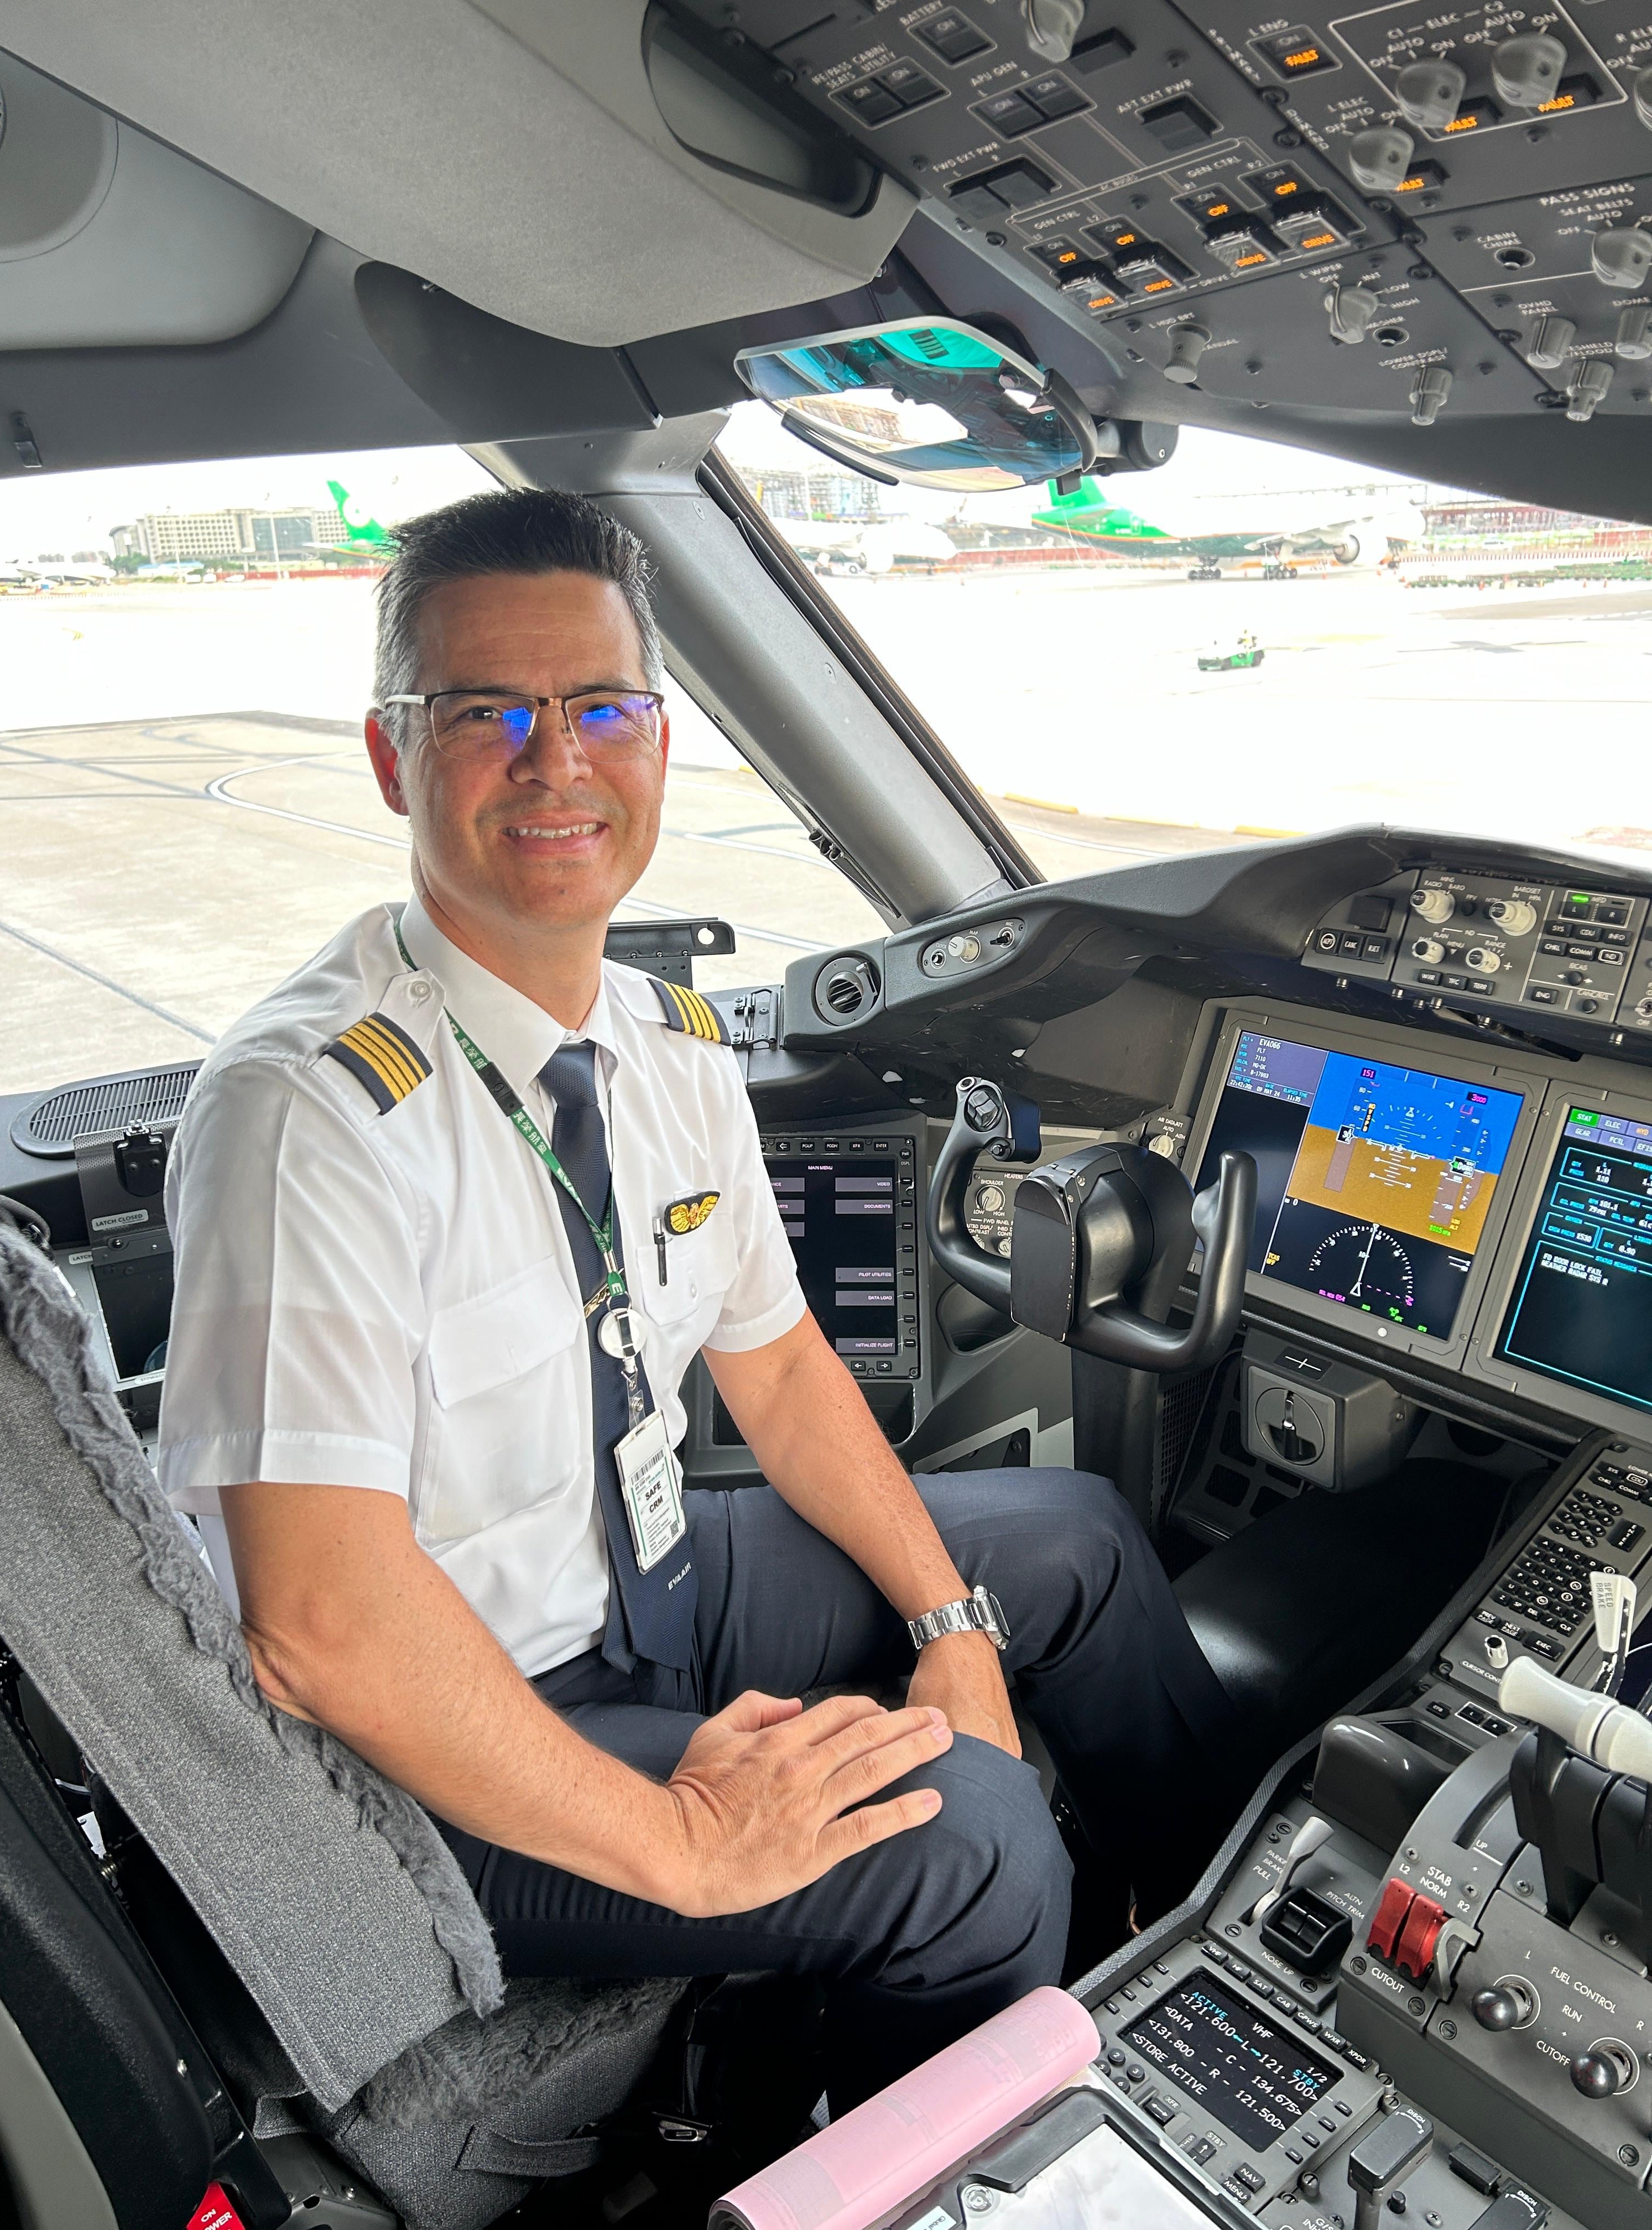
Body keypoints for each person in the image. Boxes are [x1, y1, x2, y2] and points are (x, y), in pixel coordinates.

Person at [159, 488, 1236, 2110]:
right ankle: (885, 2162)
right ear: (393, 757)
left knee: (1073, 1543)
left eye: (603, 707)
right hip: (426, 1743)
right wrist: (689, 1839)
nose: (556, 761)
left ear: (659, 741)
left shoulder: (667, 1048)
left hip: (637, 1579)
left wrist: (951, 1631)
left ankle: (1209, 1966)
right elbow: (323, 1630)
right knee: (977, 1844)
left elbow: (782, 1369)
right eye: (486, 713)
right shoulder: (309, 1115)